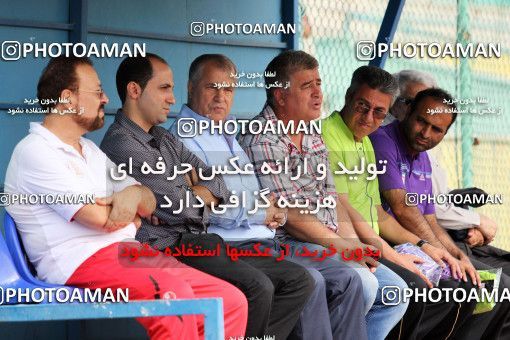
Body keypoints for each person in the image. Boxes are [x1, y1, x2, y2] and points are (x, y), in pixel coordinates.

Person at [4, 56, 248, 340]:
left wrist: (132, 196)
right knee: (175, 296)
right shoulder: (35, 150)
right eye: (96, 92)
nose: (106, 98)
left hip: (130, 253)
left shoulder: (90, 151)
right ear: (68, 98)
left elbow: (149, 200)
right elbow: (97, 218)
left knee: (230, 300)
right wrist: (130, 207)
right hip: (80, 262)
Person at [100, 53, 314, 339]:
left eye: (171, 89)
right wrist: (194, 193)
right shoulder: (123, 143)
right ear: (134, 91)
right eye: (164, 89)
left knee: (298, 280)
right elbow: (181, 208)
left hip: (200, 241)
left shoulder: (164, 137)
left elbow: (216, 183)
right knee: (257, 287)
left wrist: (192, 192)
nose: (172, 99)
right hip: (169, 247)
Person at [170, 53, 368, 340]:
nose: (220, 97)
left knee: (347, 278)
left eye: (228, 90)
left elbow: (255, 195)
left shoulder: (226, 135)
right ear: (190, 88)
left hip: (267, 240)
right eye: (212, 87)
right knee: (308, 281)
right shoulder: (182, 140)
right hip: (232, 244)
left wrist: (268, 209)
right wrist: (261, 212)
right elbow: (202, 207)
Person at [238, 50, 409, 340]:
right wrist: (344, 248)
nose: (319, 93)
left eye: (318, 83)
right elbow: (290, 216)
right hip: (290, 243)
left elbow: (333, 200)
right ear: (280, 96)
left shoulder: (311, 133)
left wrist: (354, 246)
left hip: (327, 241)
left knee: (396, 293)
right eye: (307, 86)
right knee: (363, 284)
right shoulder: (261, 138)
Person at [322, 65, 479, 339]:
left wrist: (431, 247)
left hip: (372, 241)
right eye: (362, 106)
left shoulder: (364, 142)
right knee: (411, 288)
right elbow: (358, 215)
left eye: (378, 111)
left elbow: (378, 214)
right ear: (348, 97)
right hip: (346, 243)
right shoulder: (336, 137)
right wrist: (397, 256)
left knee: (472, 285)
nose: (370, 117)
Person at [370, 87, 510, 339]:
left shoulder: (422, 157)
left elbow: (431, 220)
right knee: (461, 289)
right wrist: (444, 256)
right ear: (408, 111)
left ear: (445, 133)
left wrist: (457, 254)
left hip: (423, 248)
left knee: (498, 286)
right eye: (421, 121)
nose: (425, 133)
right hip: (392, 246)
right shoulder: (383, 141)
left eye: (437, 129)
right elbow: (402, 208)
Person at [389, 69, 510, 277]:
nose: (427, 128)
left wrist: (463, 241)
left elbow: (432, 211)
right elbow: (413, 211)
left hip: (446, 239)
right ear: (399, 105)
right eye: (417, 104)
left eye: (437, 121)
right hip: (412, 245)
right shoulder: (385, 141)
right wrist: (474, 221)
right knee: (494, 287)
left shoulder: (423, 152)